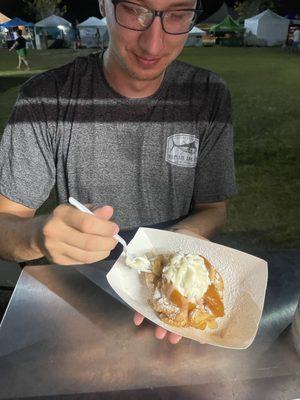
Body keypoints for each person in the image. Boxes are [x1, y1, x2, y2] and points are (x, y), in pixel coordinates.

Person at [0, 0, 236, 344]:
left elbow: (214, 209)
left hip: (171, 310)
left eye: (178, 13)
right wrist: (37, 236)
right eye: (134, 10)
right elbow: (5, 221)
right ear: (104, 4)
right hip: (78, 311)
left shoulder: (209, 95)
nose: (154, 43)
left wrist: (178, 248)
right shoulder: (45, 99)